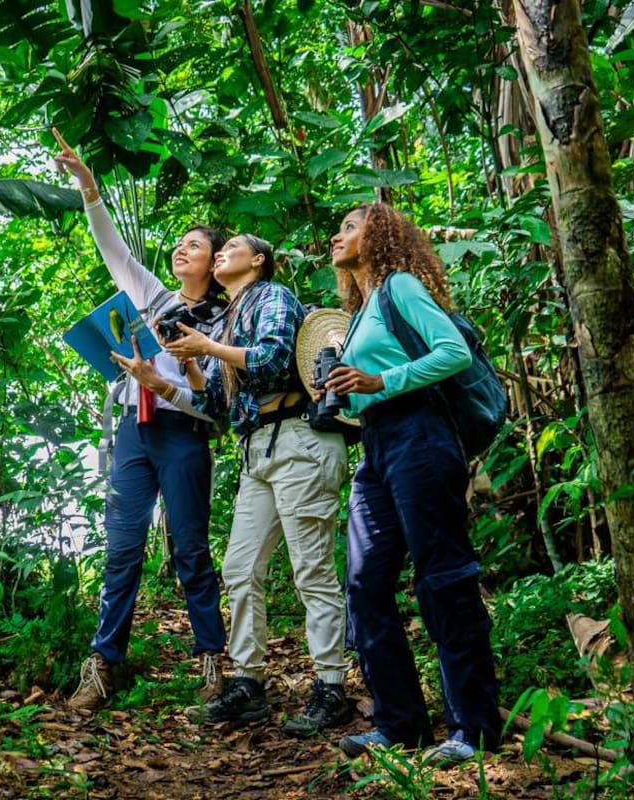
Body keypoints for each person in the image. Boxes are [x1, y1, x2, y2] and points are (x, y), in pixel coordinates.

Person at [53, 129, 227, 712]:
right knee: (122, 548)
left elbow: (215, 406)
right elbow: (114, 251)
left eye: (196, 246)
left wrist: (164, 386)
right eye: (179, 243)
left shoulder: (225, 323)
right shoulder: (153, 295)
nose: (182, 250)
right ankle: (104, 664)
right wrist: (89, 188)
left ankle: (212, 661)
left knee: (192, 551)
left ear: (216, 262)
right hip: (133, 432)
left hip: (183, 434)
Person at [322, 203, 502, 764]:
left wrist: (381, 378)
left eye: (350, 226)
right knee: (365, 582)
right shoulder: (360, 310)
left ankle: (473, 729)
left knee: (442, 577)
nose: (338, 234)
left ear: (379, 235)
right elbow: (365, 389)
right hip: (376, 445)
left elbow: (450, 352)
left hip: (420, 433)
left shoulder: (399, 286)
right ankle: (400, 724)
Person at [162, 234, 351, 734]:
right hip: (256, 451)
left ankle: (332, 685)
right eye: (217, 251)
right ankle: (248, 683)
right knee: (240, 569)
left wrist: (208, 346)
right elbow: (219, 410)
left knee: (311, 570)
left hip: (298, 441)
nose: (220, 253)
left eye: (231, 249)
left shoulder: (271, 297)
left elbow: (269, 361)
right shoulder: (229, 315)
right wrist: (173, 374)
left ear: (258, 260)